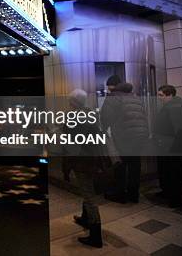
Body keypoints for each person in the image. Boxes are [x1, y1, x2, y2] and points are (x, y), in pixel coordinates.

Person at [66, 89, 104, 248]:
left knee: (89, 197)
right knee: (86, 189)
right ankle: (85, 218)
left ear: (72, 102)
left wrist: (66, 168)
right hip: (92, 160)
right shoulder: (91, 114)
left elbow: (70, 145)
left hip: (82, 162)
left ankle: (96, 236)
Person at [101, 82, 148, 203]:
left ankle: (120, 194)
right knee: (135, 165)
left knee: (120, 165)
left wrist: (103, 129)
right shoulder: (136, 98)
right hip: (140, 136)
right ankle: (133, 195)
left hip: (124, 136)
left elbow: (105, 117)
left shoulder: (112, 98)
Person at [153, 85, 182, 207]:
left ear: (170, 95)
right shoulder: (171, 106)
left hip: (171, 147)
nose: (159, 98)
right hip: (167, 145)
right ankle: (168, 193)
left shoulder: (175, 107)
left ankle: (176, 200)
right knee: (168, 171)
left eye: (161, 95)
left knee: (174, 173)